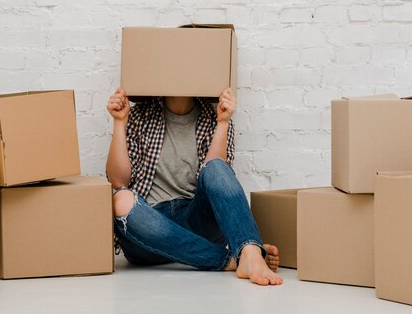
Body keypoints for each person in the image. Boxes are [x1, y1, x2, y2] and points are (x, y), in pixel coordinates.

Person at [106, 87, 282, 286]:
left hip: (196, 221)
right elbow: (118, 181)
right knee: (120, 199)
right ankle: (233, 259)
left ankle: (250, 251)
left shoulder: (213, 115)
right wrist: (119, 122)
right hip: (150, 228)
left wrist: (222, 123)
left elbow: (216, 178)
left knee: (217, 166)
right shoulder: (139, 115)